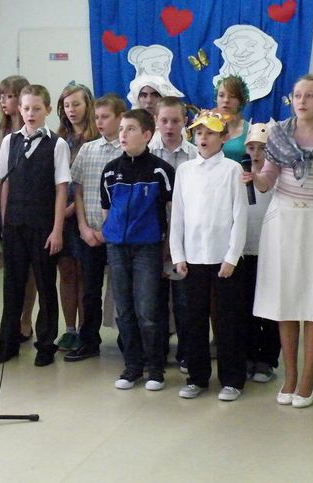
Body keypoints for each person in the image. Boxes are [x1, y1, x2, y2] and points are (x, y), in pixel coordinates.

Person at [244, 74, 313, 408]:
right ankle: (290, 375)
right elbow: (267, 181)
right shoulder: (279, 134)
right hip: (282, 222)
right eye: (298, 95)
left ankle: (308, 378)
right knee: (285, 301)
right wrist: (254, 176)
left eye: (310, 95)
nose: (302, 100)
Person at [171, 110, 247, 401]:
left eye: (211, 133)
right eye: (199, 132)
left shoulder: (232, 170)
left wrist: (232, 257)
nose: (203, 138)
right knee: (194, 320)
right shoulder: (185, 171)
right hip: (193, 258)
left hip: (222, 259)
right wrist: (178, 254)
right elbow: (178, 215)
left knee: (227, 320)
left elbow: (239, 216)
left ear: (223, 137)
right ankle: (197, 377)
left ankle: (232, 379)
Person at [0, 84, 71, 367]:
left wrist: (57, 229)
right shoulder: (10, 141)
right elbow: (4, 183)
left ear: (47, 110)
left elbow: (61, 189)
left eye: (37, 108)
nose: (30, 113)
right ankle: (9, 342)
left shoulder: (57, 144)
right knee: (12, 285)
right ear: (19, 110)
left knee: (46, 285)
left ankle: (46, 345)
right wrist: (5, 221)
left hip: (43, 225)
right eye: (26, 108)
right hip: (15, 224)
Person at [101, 109, 175, 391]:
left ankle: (155, 368)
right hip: (117, 248)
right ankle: (132, 366)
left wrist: (168, 248)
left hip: (147, 248)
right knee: (124, 310)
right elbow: (107, 210)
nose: (123, 134)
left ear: (146, 135)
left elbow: (172, 212)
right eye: (121, 129)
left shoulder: (160, 171)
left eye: (130, 129)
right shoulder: (110, 171)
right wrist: (110, 237)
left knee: (147, 311)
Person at [64, 94, 125, 362]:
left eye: (106, 117)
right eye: (97, 117)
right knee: (90, 290)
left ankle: (128, 340)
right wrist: (82, 226)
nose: (100, 122)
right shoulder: (88, 150)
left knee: (122, 290)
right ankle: (89, 340)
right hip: (89, 233)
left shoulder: (126, 150)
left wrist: (107, 230)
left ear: (120, 118)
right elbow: (77, 190)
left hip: (118, 235)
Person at [147, 96, 197, 370]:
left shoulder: (195, 155)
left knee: (184, 301)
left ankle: (187, 353)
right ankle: (157, 352)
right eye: (164, 120)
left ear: (185, 122)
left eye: (175, 121)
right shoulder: (146, 153)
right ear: (155, 121)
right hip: (152, 237)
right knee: (155, 300)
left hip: (185, 239)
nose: (169, 126)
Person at [0, 75, 37, 342]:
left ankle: (26, 319)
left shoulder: (36, 128)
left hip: (31, 206)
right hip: (5, 206)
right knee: (12, 269)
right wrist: (2, 207)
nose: (4, 102)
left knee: (30, 270)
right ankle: (10, 319)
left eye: (9, 96)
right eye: (1, 97)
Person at [55, 83, 100, 351]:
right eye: (67, 105)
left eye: (76, 104)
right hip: (62, 216)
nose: (71, 110)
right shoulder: (60, 139)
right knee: (67, 272)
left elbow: (89, 182)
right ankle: (69, 328)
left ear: (88, 105)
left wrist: (72, 208)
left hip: (84, 214)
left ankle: (86, 329)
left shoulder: (95, 139)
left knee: (85, 274)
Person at [237, 122, 280, 383]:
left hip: (270, 252)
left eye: (262, 148)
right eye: (251, 148)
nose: (255, 153)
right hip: (246, 251)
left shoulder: (277, 179)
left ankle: (268, 359)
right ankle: (250, 355)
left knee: (270, 309)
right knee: (248, 307)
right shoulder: (239, 176)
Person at [215, 75, 251, 161]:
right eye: (221, 95)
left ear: (241, 100)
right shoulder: (207, 127)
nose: (226, 100)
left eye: (232, 96)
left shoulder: (251, 130)